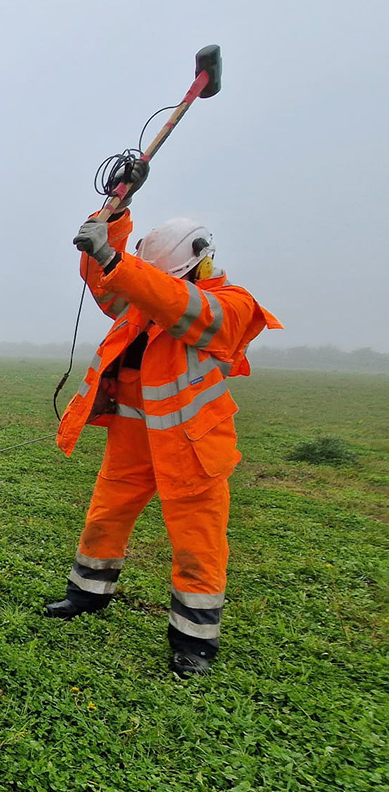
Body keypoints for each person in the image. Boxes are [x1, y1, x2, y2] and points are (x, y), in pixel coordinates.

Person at [46, 184, 282, 676]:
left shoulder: (229, 306)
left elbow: (178, 306)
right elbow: (111, 283)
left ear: (201, 262)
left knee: (198, 540)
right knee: (104, 518)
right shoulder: (143, 296)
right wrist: (114, 211)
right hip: (133, 438)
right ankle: (86, 596)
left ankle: (194, 643)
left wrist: (116, 259)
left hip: (193, 445)